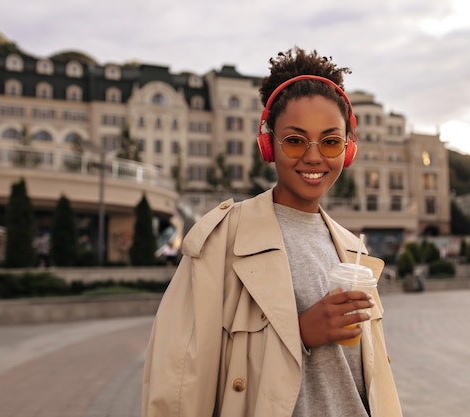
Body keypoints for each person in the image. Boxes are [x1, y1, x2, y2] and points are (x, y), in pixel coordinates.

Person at [142, 47, 403, 417]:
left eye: (330, 141)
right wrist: (299, 334)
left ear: (348, 149)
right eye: (295, 140)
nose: (314, 157)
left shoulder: (353, 250)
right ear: (269, 144)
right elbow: (177, 382)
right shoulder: (222, 240)